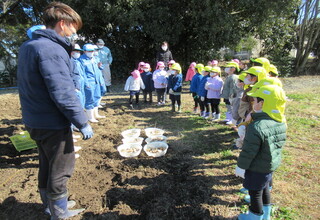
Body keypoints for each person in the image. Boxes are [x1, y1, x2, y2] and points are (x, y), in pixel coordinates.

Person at [17, 2, 93, 219]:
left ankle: (50, 206)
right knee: (62, 167)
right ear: (62, 24)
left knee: (46, 164)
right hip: (52, 123)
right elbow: (62, 91)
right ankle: (59, 213)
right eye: (73, 28)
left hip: (34, 119)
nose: (74, 33)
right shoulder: (52, 50)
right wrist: (82, 121)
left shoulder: (28, 46)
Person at [235, 84, 286, 220]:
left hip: (256, 167)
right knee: (265, 189)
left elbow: (249, 151)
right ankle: (266, 212)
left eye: (255, 100)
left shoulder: (257, 126)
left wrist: (241, 166)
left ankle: (254, 216)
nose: (253, 103)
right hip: (269, 165)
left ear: (262, 103)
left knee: (255, 192)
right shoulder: (280, 120)